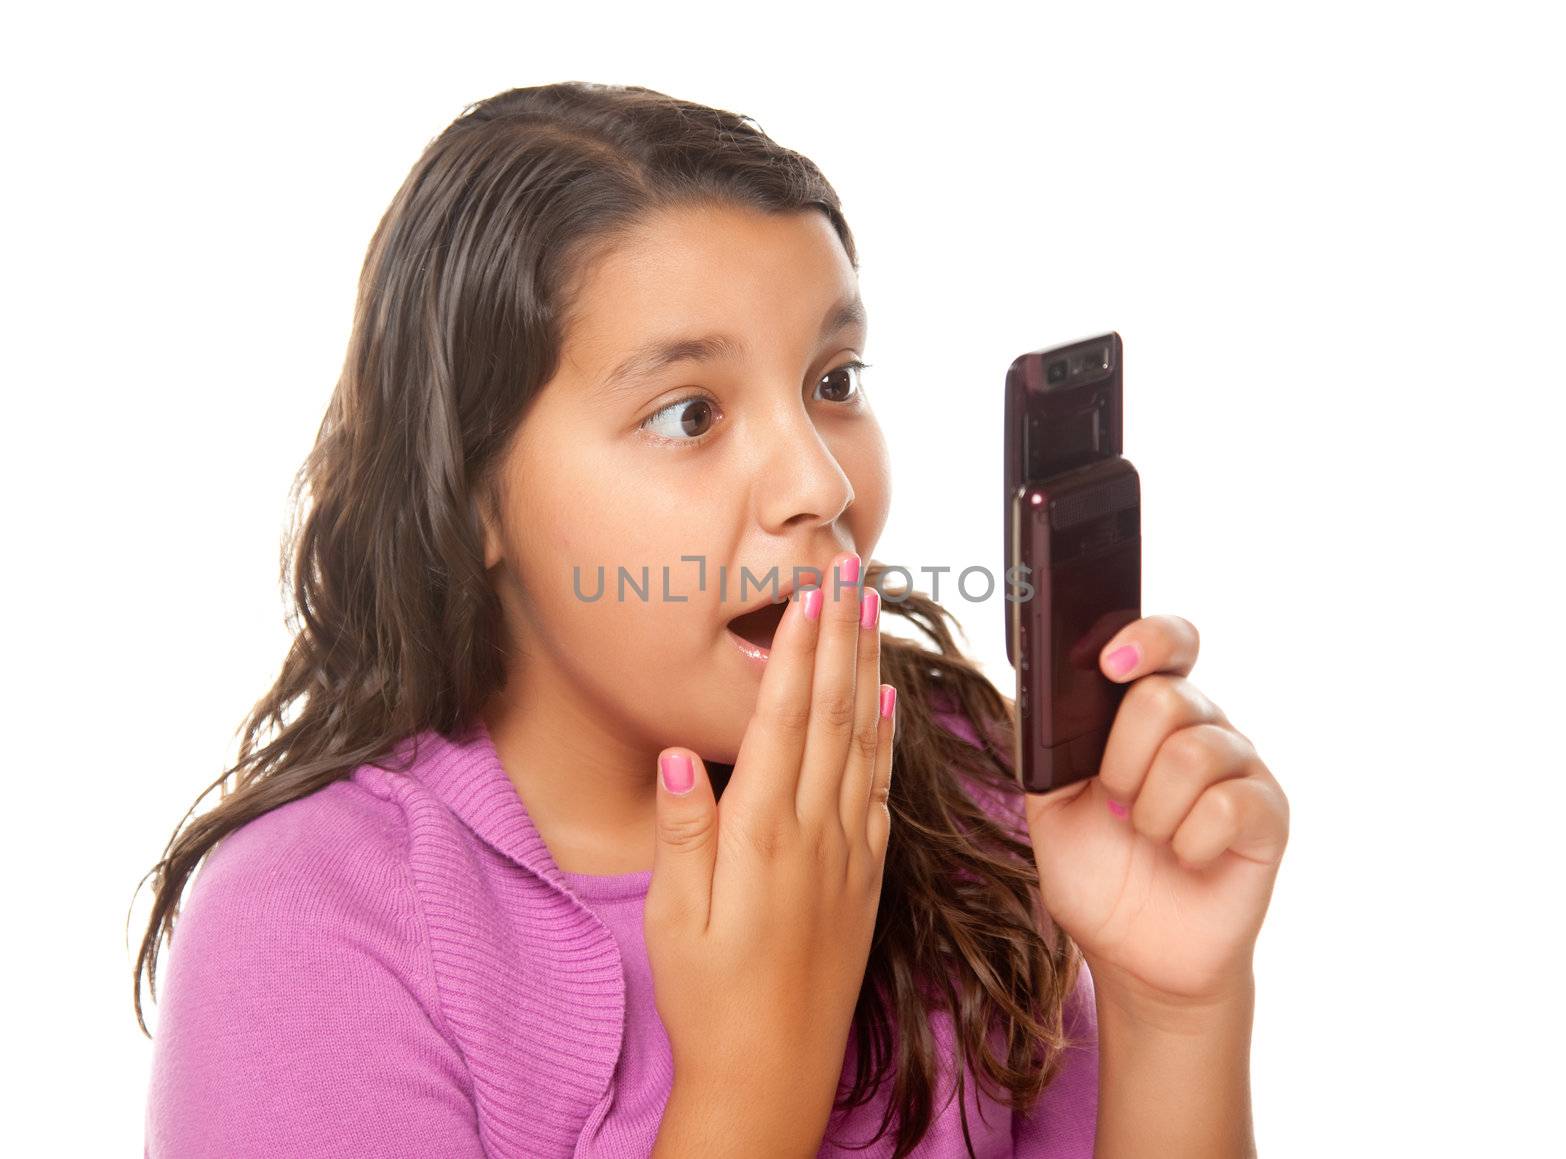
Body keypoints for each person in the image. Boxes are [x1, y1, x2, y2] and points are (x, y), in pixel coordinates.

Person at [133, 81, 1290, 1158]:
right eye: (689, 412)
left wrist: (1172, 1006)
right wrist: (752, 1075)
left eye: (832, 382)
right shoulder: (308, 928)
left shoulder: (963, 792)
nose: (821, 486)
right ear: (471, 491)